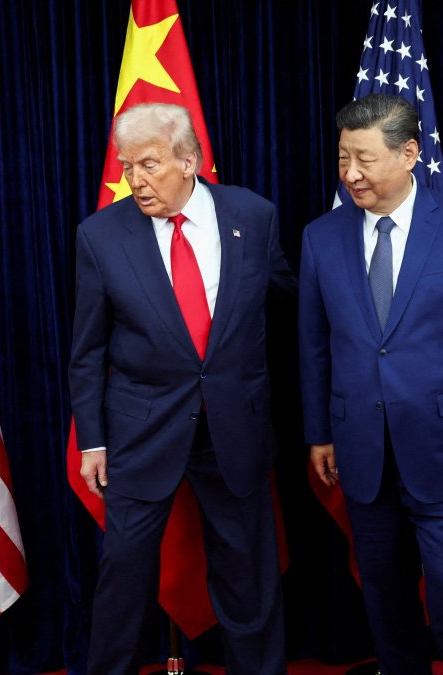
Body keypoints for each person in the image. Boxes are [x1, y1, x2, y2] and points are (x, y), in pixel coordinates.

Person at [298, 93, 443, 675]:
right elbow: (315, 346)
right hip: (361, 450)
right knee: (384, 592)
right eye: (344, 157)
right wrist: (319, 432)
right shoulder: (320, 237)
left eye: (365, 159)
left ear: (409, 153)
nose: (351, 173)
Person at [68, 102, 292, 675]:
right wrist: (92, 440)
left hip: (234, 426)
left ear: (188, 161)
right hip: (142, 429)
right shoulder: (100, 235)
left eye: (148, 164)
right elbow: (88, 350)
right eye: (126, 166)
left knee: (247, 574)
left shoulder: (254, 215)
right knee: (124, 576)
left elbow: (287, 311)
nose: (135, 180)